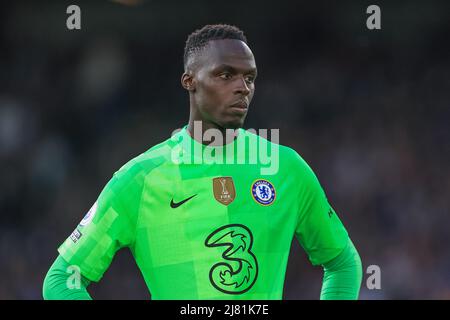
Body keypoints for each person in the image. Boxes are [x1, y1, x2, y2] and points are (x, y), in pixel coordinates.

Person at [43, 24, 362, 300]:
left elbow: (343, 263)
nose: (243, 87)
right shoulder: (141, 177)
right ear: (189, 81)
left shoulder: (286, 168)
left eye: (249, 77)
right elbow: (62, 280)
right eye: (226, 75)